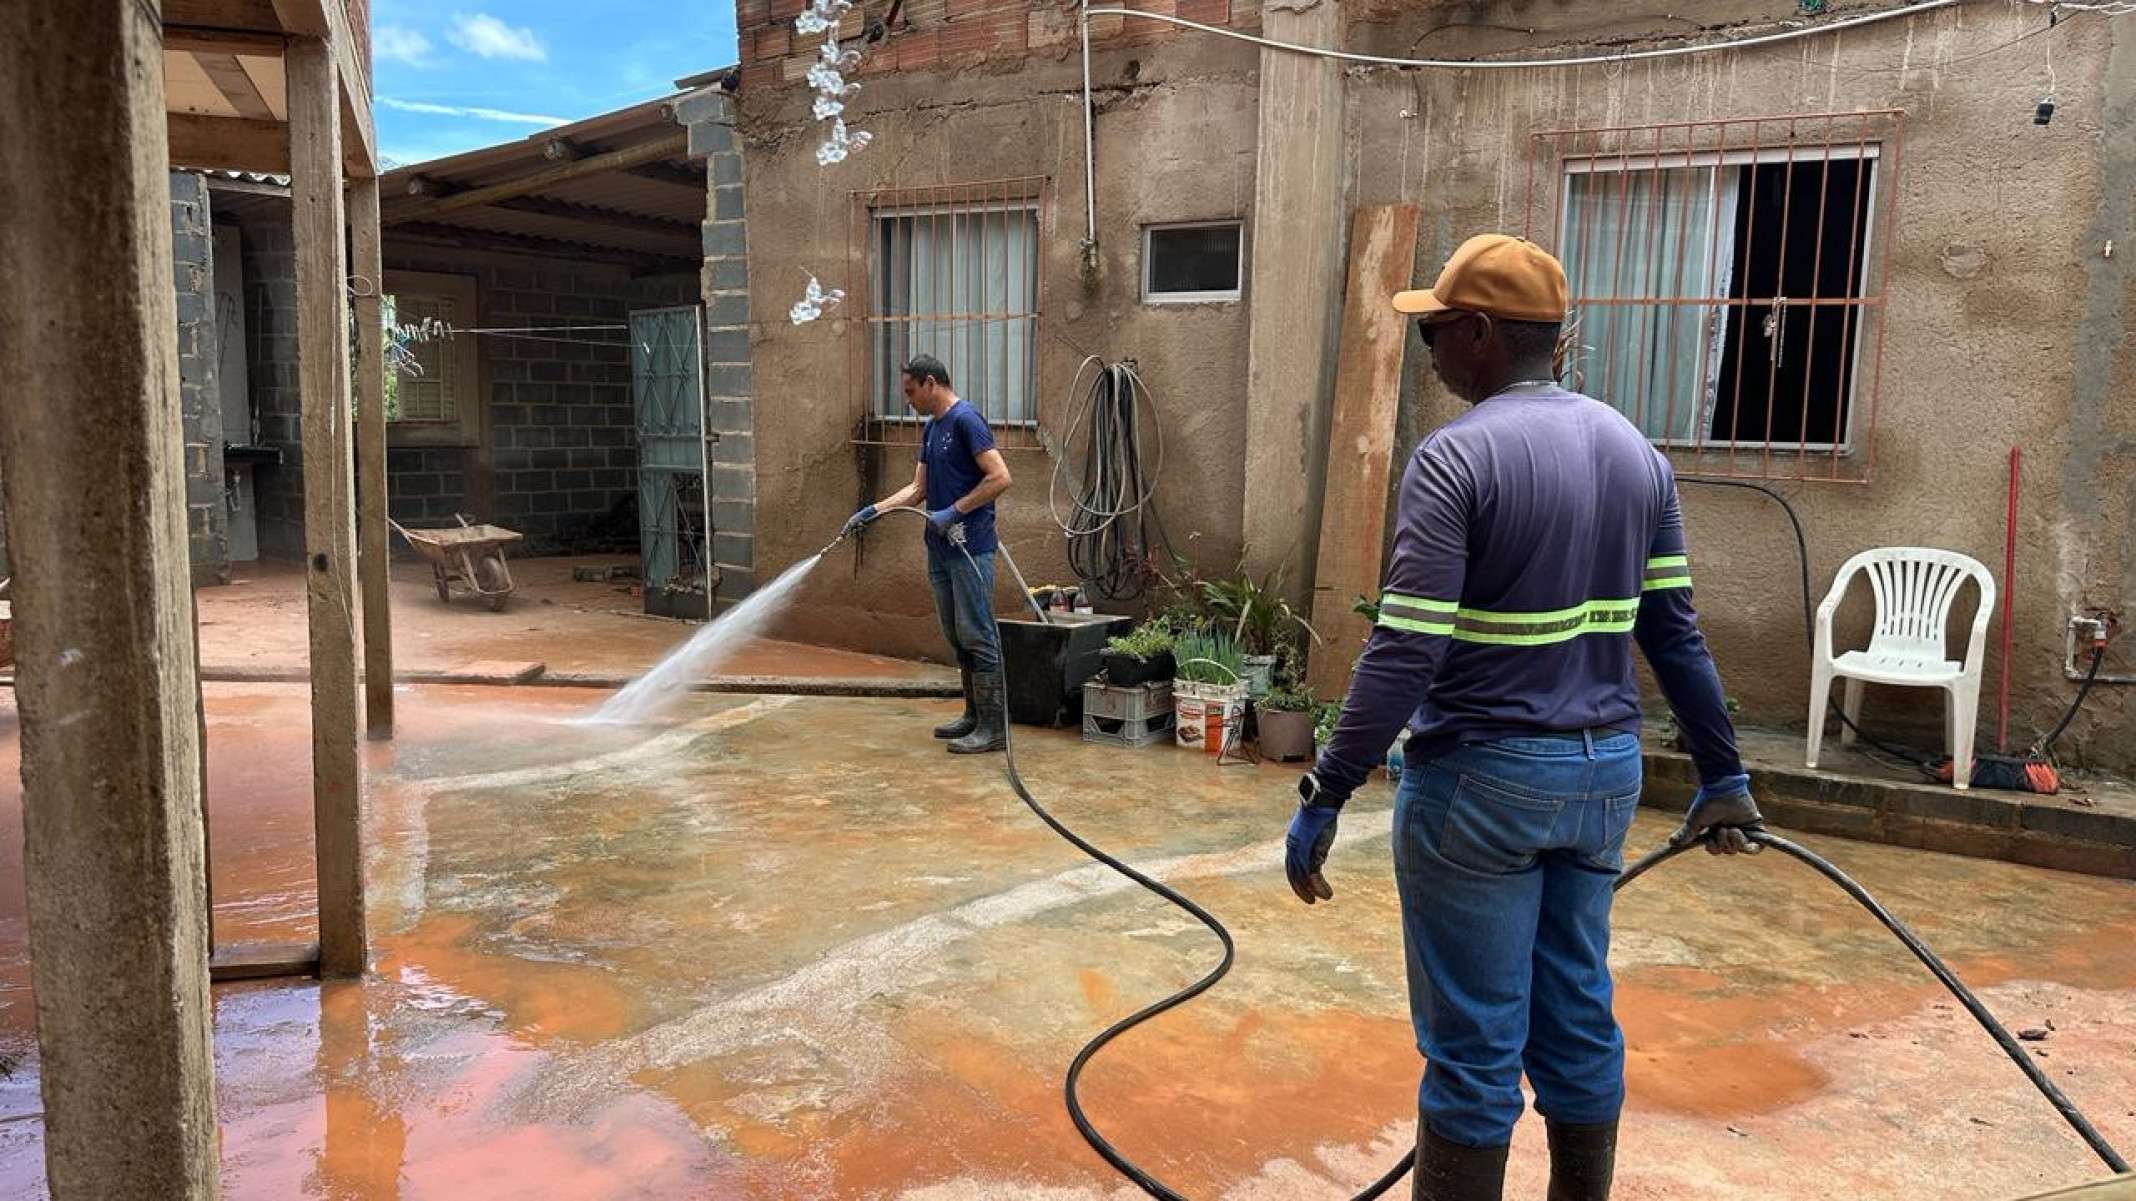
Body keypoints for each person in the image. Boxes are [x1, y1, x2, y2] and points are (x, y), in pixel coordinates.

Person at [1282, 235, 1763, 1201]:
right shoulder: (1638, 454)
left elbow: (1407, 647)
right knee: (1578, 1017)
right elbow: (1676, 638)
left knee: (1474, 1044)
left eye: (1439, 334)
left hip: (1481, 786)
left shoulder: (1455, 458)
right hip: (1602, 781)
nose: (1430, 354)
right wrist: (1725, 777)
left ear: (1484, 335)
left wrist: (1326, 787)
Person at [845, 354, 1015, 754]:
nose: (907, 399)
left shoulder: (965, 420)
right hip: (938, 548)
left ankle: (993, 728)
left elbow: (1000, 477)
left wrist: (956, 510)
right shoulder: (933, 427)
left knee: (978, 633)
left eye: (910, 391)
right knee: (957, 636)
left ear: (931, 384)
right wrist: (874, 511)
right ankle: (973, 716)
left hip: (969, 547)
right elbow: (917, 488)